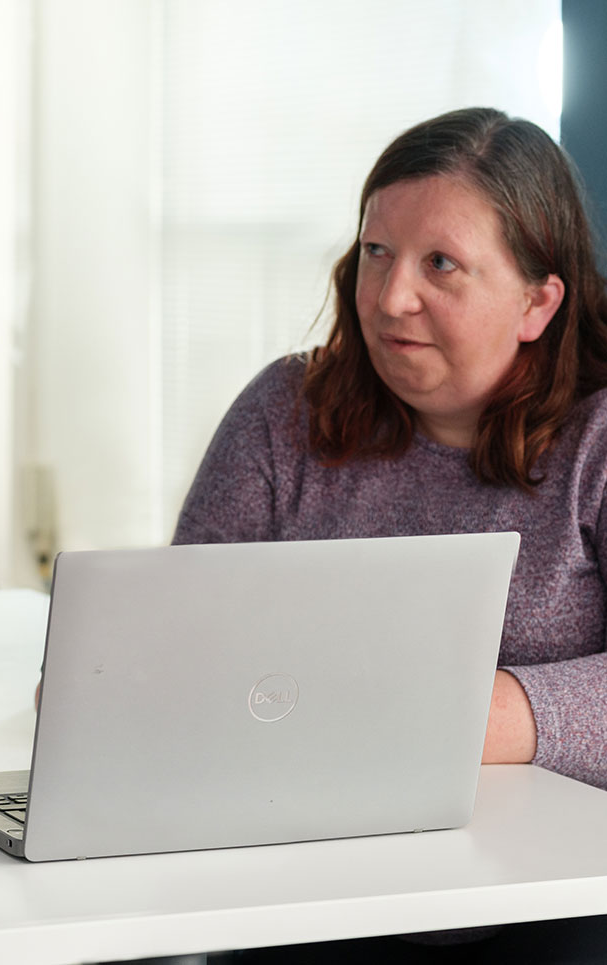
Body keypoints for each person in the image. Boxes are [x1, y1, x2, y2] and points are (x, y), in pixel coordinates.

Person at [178, 108, 607, 961]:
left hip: (551, 899)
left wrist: (490, 714)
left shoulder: (598, 438)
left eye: (439, 263)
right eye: (377, 252)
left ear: (537, 300)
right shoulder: (284, 411)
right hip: (309, 879)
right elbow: (182, 629)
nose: (389, 297)